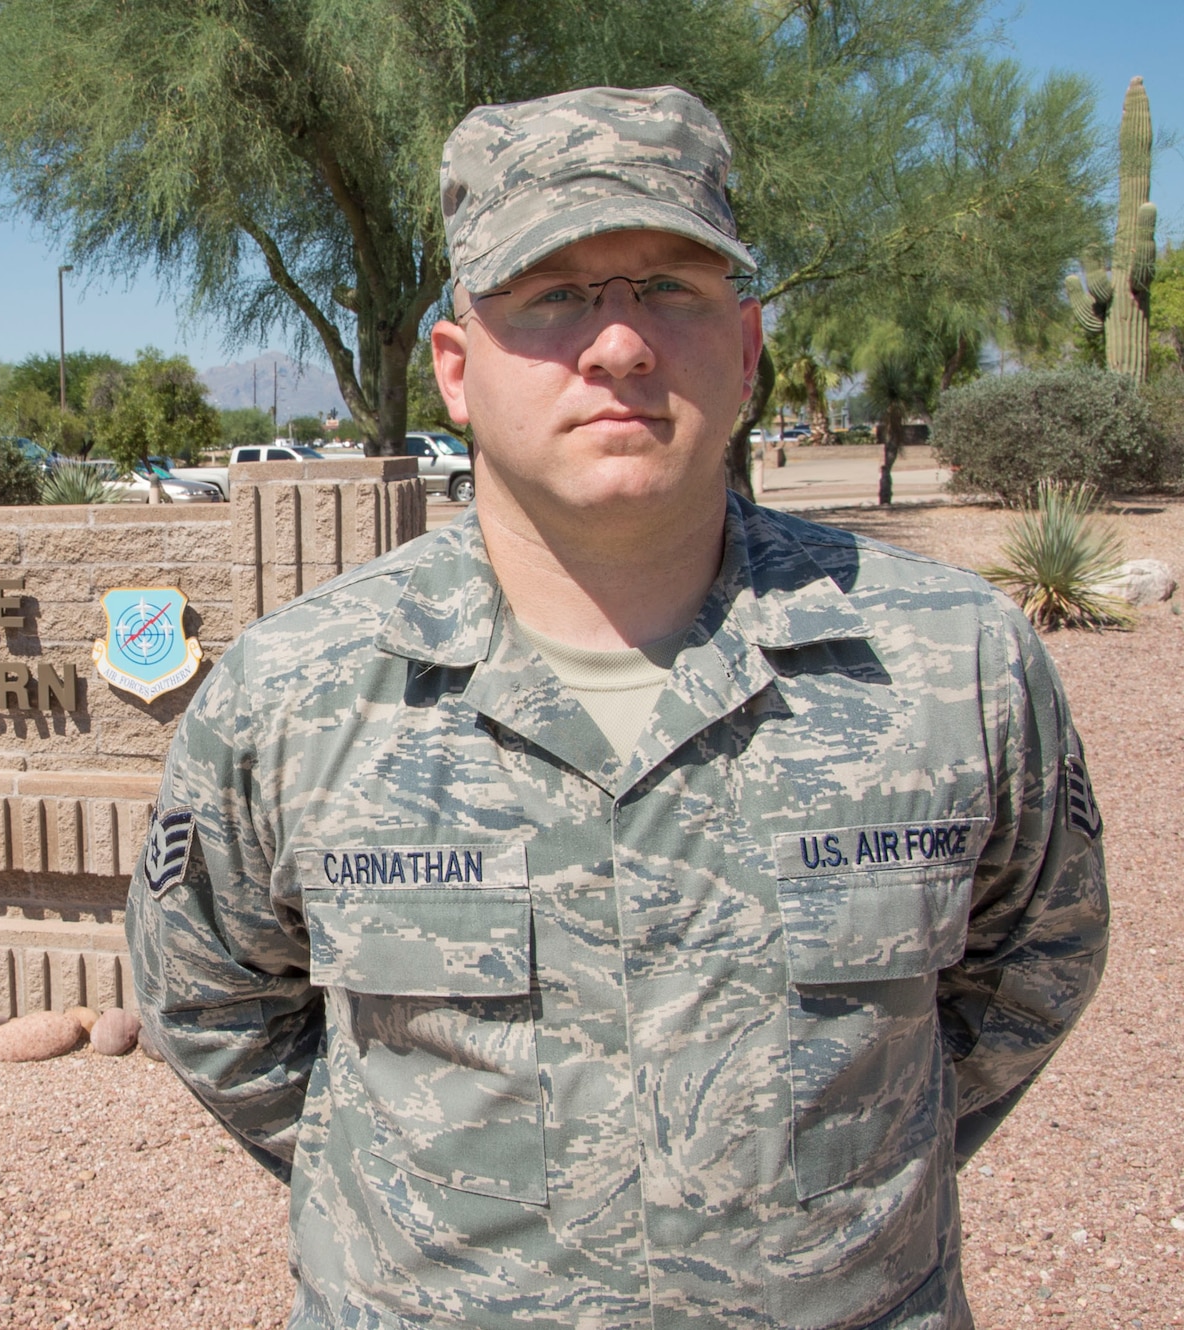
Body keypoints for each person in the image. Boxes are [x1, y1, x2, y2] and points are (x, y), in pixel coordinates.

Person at [125, 85, 1107, 1329]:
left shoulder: (949, 663)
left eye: (671, 289)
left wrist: (816, 1219)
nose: (622, 346)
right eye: (553, 295)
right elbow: (215, 1004)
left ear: (746, 348)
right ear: (454, 369)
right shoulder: (297, 690)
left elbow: (1032, 966)